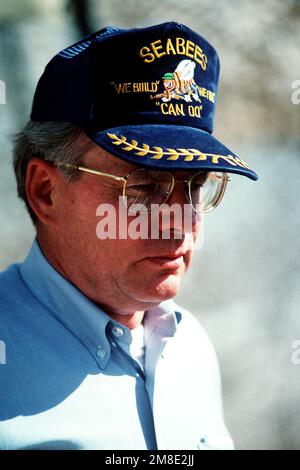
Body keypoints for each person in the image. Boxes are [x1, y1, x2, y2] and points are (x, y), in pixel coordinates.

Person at [0, 22, 258, 450]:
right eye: (143, 189)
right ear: (45, 191)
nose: (179, 221)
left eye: (195, 187)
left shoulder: (189, 345)